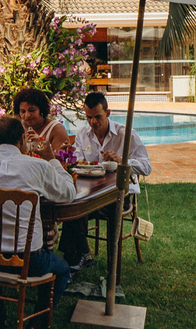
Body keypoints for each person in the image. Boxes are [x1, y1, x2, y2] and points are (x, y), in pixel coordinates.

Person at [0, 115, 78, 319]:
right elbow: (68, 194)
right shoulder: (37, 167)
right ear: (21, 140)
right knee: (62, 269)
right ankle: (36, 325)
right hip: (27, 261)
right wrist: (51, 158)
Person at [59, 92, 152, 272]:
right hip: (90, 191)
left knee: (79, 209)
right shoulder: (83, 134)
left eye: (97, 117)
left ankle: (78, 259)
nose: (93, 122)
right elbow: (77, 162)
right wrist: (68, 157)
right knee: (73, 206)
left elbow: (147, 166)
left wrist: (122, 161)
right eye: (89, 117)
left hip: (118, 193)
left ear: (108, 113)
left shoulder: (126, 134)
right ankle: (78, 257)